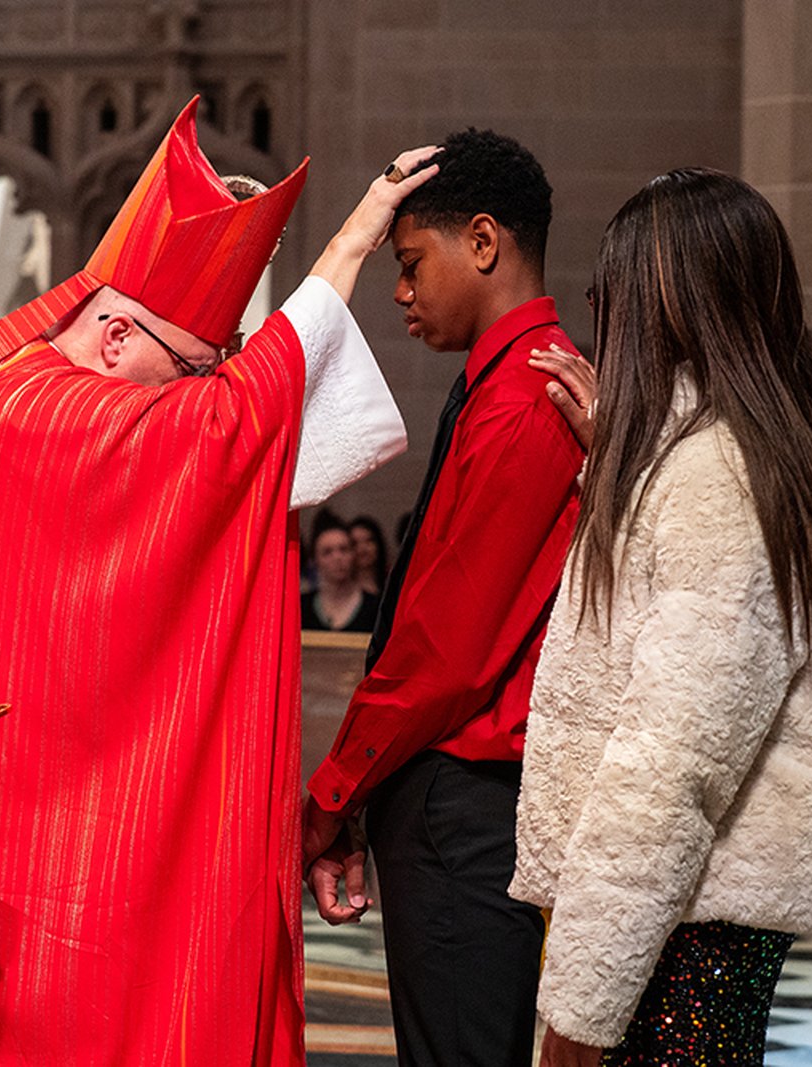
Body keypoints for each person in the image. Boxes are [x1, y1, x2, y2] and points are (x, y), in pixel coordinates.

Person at [0, 98, 429, 1066]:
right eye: (193, 364)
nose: (201, 384)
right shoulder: (44, 410)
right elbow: (230, 425)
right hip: (17, 814)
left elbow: (216, 400)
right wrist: (350, 240)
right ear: (117, 335)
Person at [512, 169, 812, 1066]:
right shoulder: (746, 461)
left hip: (673, 941)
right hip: (680, 932)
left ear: (668, 311)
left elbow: (669, 772)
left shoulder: (720, 483)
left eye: (616, 301)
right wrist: (624, 463)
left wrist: (577, 1014)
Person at [302, 128, 586, 1067]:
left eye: (413, 261)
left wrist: (336, 790)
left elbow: (445, 643)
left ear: (483, 240)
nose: (400, 290)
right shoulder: (500, 384)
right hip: (450, 791)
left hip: (467, 798)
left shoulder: (525, 400)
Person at [302, 510, 380, 632]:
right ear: (314, 560)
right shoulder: (300, 607)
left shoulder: (376, 607)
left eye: (344, 549)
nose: (337, 558)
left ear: (354, 554)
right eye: (327, 552)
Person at [347, 513, 388, 594]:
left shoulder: (394, 583)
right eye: (354, 543)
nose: (363, 548)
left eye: (369, 540)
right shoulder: (342, 590)